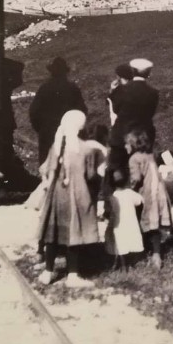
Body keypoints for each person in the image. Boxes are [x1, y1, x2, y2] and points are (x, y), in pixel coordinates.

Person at [36, 110, 102, 286]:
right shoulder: (87, 149)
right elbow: (91, 175)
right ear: (81, 127)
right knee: (75, 234)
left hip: (57, 195)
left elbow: (47, 171)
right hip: (78, 195)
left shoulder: (56, 148)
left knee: (53, 233)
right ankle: (72, 275)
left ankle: (48, 272)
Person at [127, 129, 172, 269]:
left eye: (127, 144)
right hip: (160, 192)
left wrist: (129, 188)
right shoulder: (150, 155)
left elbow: (136, 178)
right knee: (155, 224)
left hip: (149, 194)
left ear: (133, 144)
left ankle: (144, 252)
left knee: (145, 221)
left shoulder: (134, 158)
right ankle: (156, 253)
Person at [29, 57, 87, 166]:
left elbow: (33, 112)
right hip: (69, 132)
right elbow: (82, 111)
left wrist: (42, 129)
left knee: (48, 165)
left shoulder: (44, 88)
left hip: (48, 133)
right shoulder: (72, 88)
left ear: (52, 72)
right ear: (65, 72)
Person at [107, 58, 159, 167]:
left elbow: (116, 109)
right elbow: (151, 113)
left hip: (121, 134)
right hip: (143, 136)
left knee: (118, 169)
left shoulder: (122, 89)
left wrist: (112, 91)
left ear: (133, 71)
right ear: (148, 73)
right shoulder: (153, 93)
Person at [104, 168, 144, 271]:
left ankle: (123, 265)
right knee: (130, 242)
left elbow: (108, 211)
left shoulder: (113, 196)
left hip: (119, 224)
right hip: (130, 223)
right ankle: (130, 263)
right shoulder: (130, 193)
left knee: (121, 245)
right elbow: (140, 201)